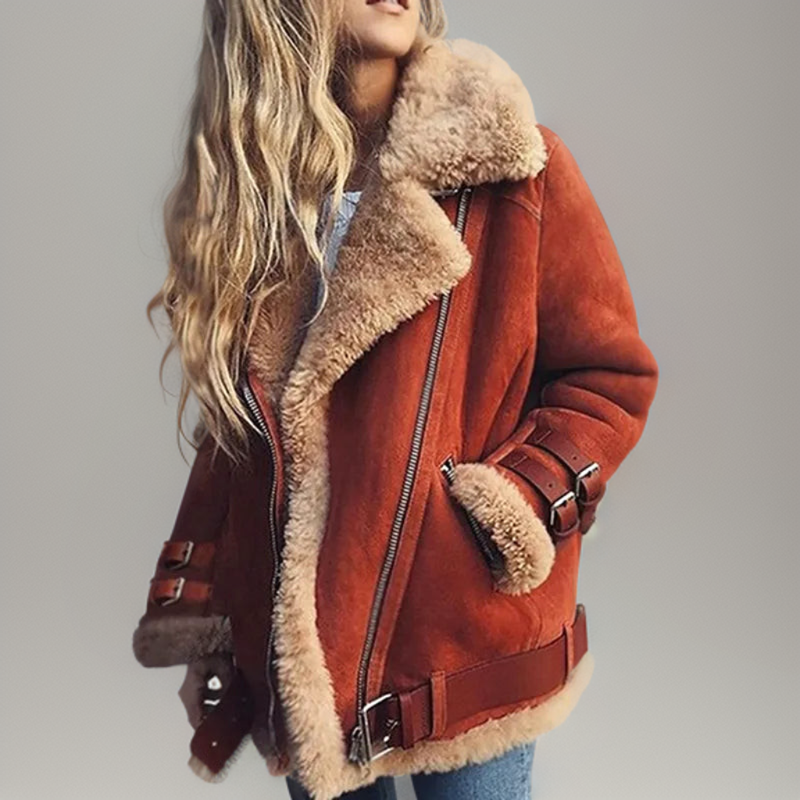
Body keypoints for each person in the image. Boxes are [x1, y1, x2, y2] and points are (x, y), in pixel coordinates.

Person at [131, 1, 660, 799]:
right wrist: (210, 618)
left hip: (469, 642)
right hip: (310, 647)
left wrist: (513, 503)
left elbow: (609, 377)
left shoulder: (514, 169)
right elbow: (237, 438)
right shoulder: (257, 205)